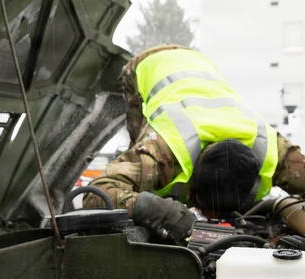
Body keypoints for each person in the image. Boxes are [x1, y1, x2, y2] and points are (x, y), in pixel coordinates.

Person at [83, 43, 305, 245]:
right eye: (207, 211)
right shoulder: (160, 153)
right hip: (149, 65)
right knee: (141, 194)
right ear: (194, 187)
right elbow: (96, 194)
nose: (212, 220)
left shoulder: (275, 151)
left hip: (201, 65)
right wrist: (158, 211)